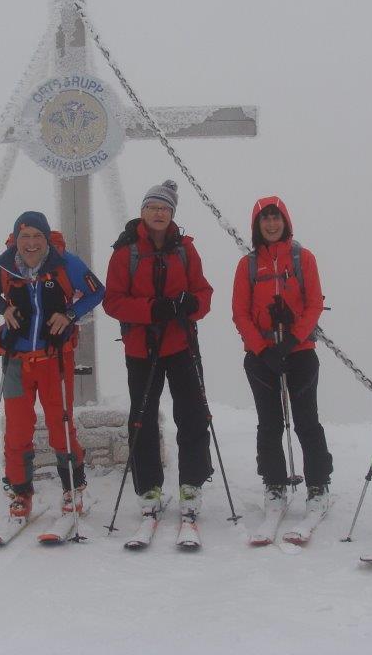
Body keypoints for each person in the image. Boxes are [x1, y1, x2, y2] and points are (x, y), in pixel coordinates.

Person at [0, 211, 104, 521]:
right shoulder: (4, 265)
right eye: (25, 237)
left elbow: (96, 291)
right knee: (17, 429)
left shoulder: (65, 263)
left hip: (54, 358)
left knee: (61, 424)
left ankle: (73, 487)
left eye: (37, 236)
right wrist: (4, 307)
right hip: (16, 361)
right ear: (15, 240)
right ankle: (20, 492)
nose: (31, 243)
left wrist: (70, 315)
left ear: (46, 239)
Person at [103, 180, 214, 523]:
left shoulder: (186, 250)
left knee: (192, 414)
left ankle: (192, 483)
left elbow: (203, 292)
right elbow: (113, 301)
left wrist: (191, 304)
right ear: (142, 212)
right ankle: (148, 487)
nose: (159, 213)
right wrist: (153, 309)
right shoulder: (125, 253)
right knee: (143, 418)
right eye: (153, 207)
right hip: (142, 347)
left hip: (181, 343)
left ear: (172, 213)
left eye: (165, 208)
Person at [232, 197, 333, 520]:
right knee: (270, 422)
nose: (272, 224)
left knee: (306, 421)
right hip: (261, 356)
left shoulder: (303, 259)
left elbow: (314, 303)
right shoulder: (248, 266)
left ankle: (318, 484)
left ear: (286, 221)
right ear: (257, 225)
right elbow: (240, 313)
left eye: (276, 218)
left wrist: (292, 340)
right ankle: (273, 483)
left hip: (299, 351)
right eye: (265, 219)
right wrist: (262, 350)